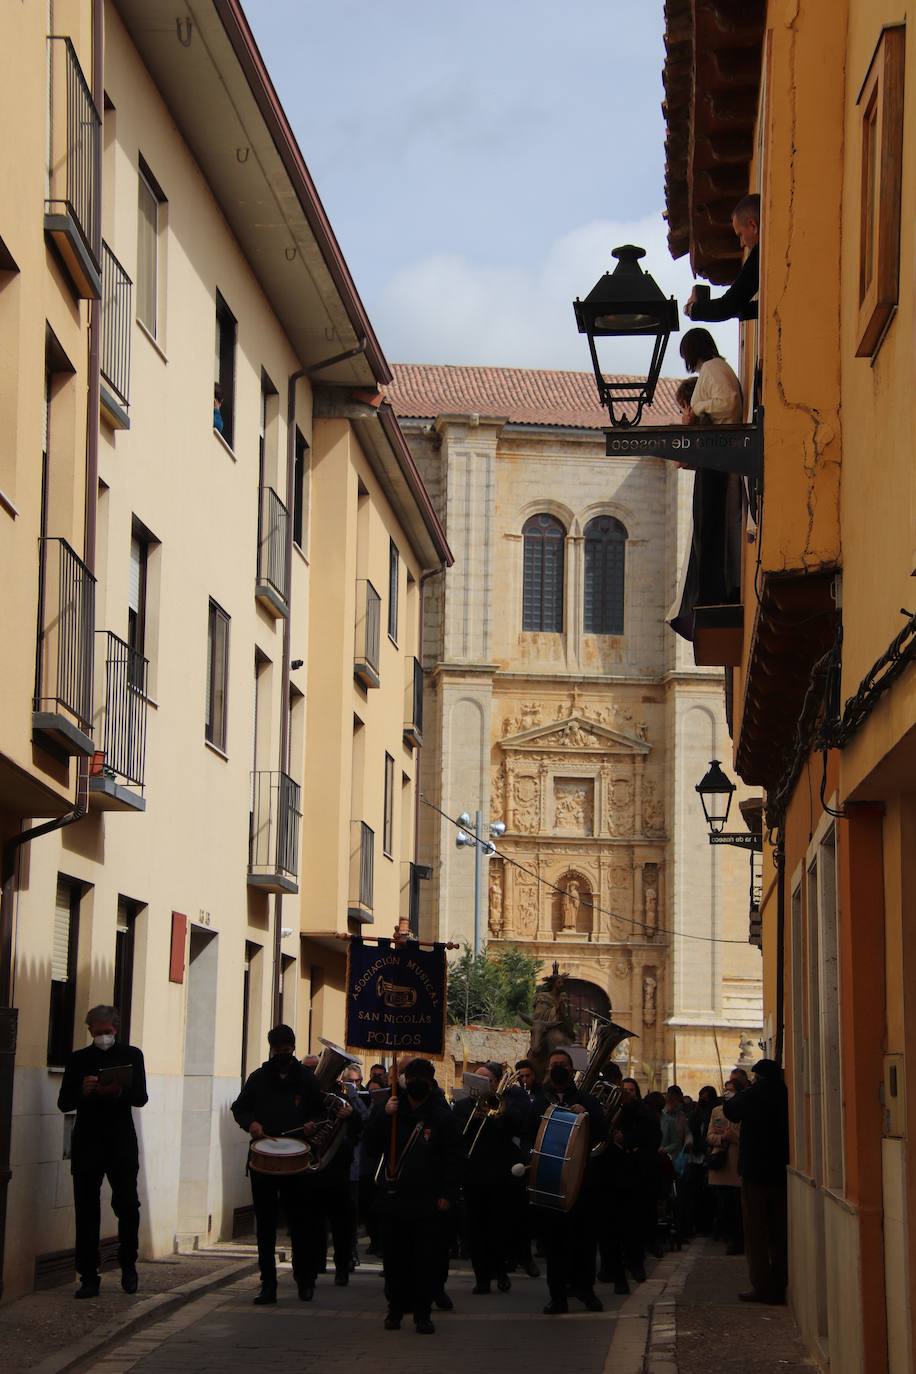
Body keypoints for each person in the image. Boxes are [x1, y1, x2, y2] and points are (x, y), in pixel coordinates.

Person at [57, 1006, 149, 1299]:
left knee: (127, 1206)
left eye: (107, 1032)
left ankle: (128, 1265)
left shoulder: (131, 1056)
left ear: (116, 1029)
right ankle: (87, 1275)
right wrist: (84, 1092)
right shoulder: (78, 1060)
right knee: (86, 1211)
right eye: (98, 1033)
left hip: (121, 1141)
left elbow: (141, 1097)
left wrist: (118, 1091)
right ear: (90, 1031)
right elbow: (63, 1102)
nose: (103, 1037)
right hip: (87, 1142)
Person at [230, 1024, 326, 1304]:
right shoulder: (259, 1078)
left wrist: (311, 1125)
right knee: (266, 1225)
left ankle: (304, 1280)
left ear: (293, 1048)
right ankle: (268, 1283)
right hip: (264, 1160)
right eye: (279, 1050)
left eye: (288, 1049)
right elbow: (240, 1107)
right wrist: (251, 1124)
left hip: (297, 1161)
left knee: (300, 1223)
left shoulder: (307, 1080)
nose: (284, 1053)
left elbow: (320, 1112)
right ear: (272, 1049)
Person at [365, 1058, 461, 1335]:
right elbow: (370, 1147)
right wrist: (382, 1114)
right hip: (394, 1199)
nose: (417, 1084)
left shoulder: (441, 1117)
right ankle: (395, 1310)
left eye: (423, 1080)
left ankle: (423, 1314)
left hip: (428, 1201)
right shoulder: (392, 1111)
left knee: (425, 1260)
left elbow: (453, 1159)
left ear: (431, 1083)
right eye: (412, 1079)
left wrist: (447, 1194)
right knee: (395, 1260)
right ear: (405, 1080)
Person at [526, 1048, 607, 1314]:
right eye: (554, 1064)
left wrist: (587, 1116)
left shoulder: (587, 1099)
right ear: (549, 1070)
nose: (558, 1068)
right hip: (549, 1182)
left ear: (572, 1071)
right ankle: (557, 1297)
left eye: (563, 1064)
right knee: (555, 1245)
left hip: (581, 1183)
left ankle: (587, 1292)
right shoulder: (539, 1101)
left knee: (584, 1242)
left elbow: (602, 1132)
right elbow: (527, 1133)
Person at [453, 1062, 526, 1295]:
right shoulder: (463, 1107)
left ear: (495, 1083)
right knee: (475, 1230)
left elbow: (519, 1127)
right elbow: (456, 1136)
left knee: (498, 1228)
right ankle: (481, 1278)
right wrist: (473, 1118)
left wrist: (497, 1116)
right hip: (473, 1176)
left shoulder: (506, 1105)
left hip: (499, 1177)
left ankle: (501, 1271)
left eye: (487, 1080)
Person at [722, 1058, 789, 1304]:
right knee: (780, 1232)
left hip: (755, 1172)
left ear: (757, 1077)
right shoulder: (783, 1093)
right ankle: (781, 1281)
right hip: (780, 1172)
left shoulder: (755, 1093)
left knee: (757, 1233)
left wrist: (743, 1090)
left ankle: (762, 1286)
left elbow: (731, 1111)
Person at [684, 193, 760, 323]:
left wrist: (693, 309)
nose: (742, 243)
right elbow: (742, 307)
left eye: (740, 234)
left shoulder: (759, 255)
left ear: (753, 225)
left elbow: (727, 306)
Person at [706, 1076, 744, 1254]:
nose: (728, 1093)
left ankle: (738, 1240)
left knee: (738, 1208)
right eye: (726, 1090)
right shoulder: (717, 1111)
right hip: (720, 1164)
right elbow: (709, 1136)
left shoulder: (744, 1111)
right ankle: (729, 1238)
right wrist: (722, 1138)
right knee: (724, 1207)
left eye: (731, 1090)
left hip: (737, 1166)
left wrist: (734, 1138)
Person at [680, 329, 743, 426]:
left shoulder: (711, 367)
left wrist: (697, 408)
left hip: (722, 437)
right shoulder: (717, 366)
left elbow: (727, 403)